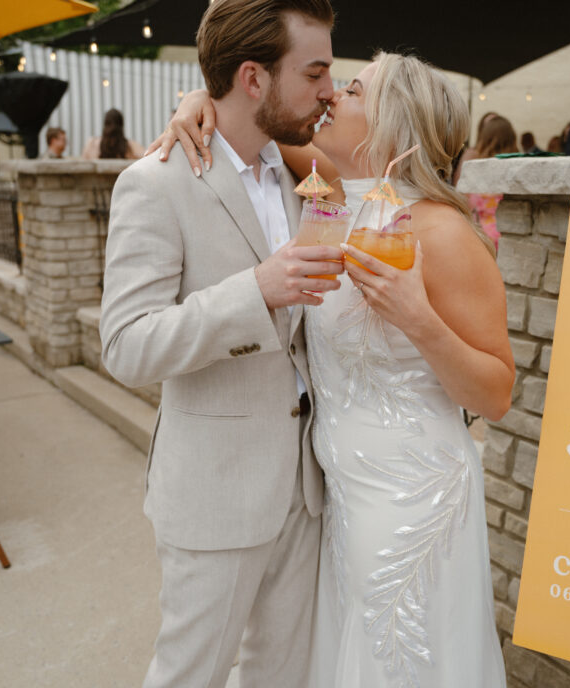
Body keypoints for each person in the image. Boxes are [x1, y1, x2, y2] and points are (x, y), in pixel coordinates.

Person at [152, 51, 514, 688]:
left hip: (412, 495)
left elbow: (496, 394)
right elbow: (251, 124)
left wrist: (418, 318)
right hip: (341, 497)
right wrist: (199, 100)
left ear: (393, 123)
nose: (330, 97)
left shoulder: (445, 234)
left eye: (351, 91)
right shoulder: (337, 198)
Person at [98, 1, 340, 687]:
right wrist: (253, 293)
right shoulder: (154, 183)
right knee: (191, 675)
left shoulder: (301, 175)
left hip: (305, 488)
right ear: (253, 78)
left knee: (283, 674)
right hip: (215, 493)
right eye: (314, 73)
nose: (329, 90)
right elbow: (126, 346)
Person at [461, 114, 519, 247]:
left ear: (485, 137)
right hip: (509, 235)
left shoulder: (473, 164)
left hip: (478, 234)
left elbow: (463, 199)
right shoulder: (515, 167)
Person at [451, 109, 499, 184]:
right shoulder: (473, 153)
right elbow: (458, 182)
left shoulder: (506, 153)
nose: (491, 130)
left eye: (495, 125)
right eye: (488, 126)